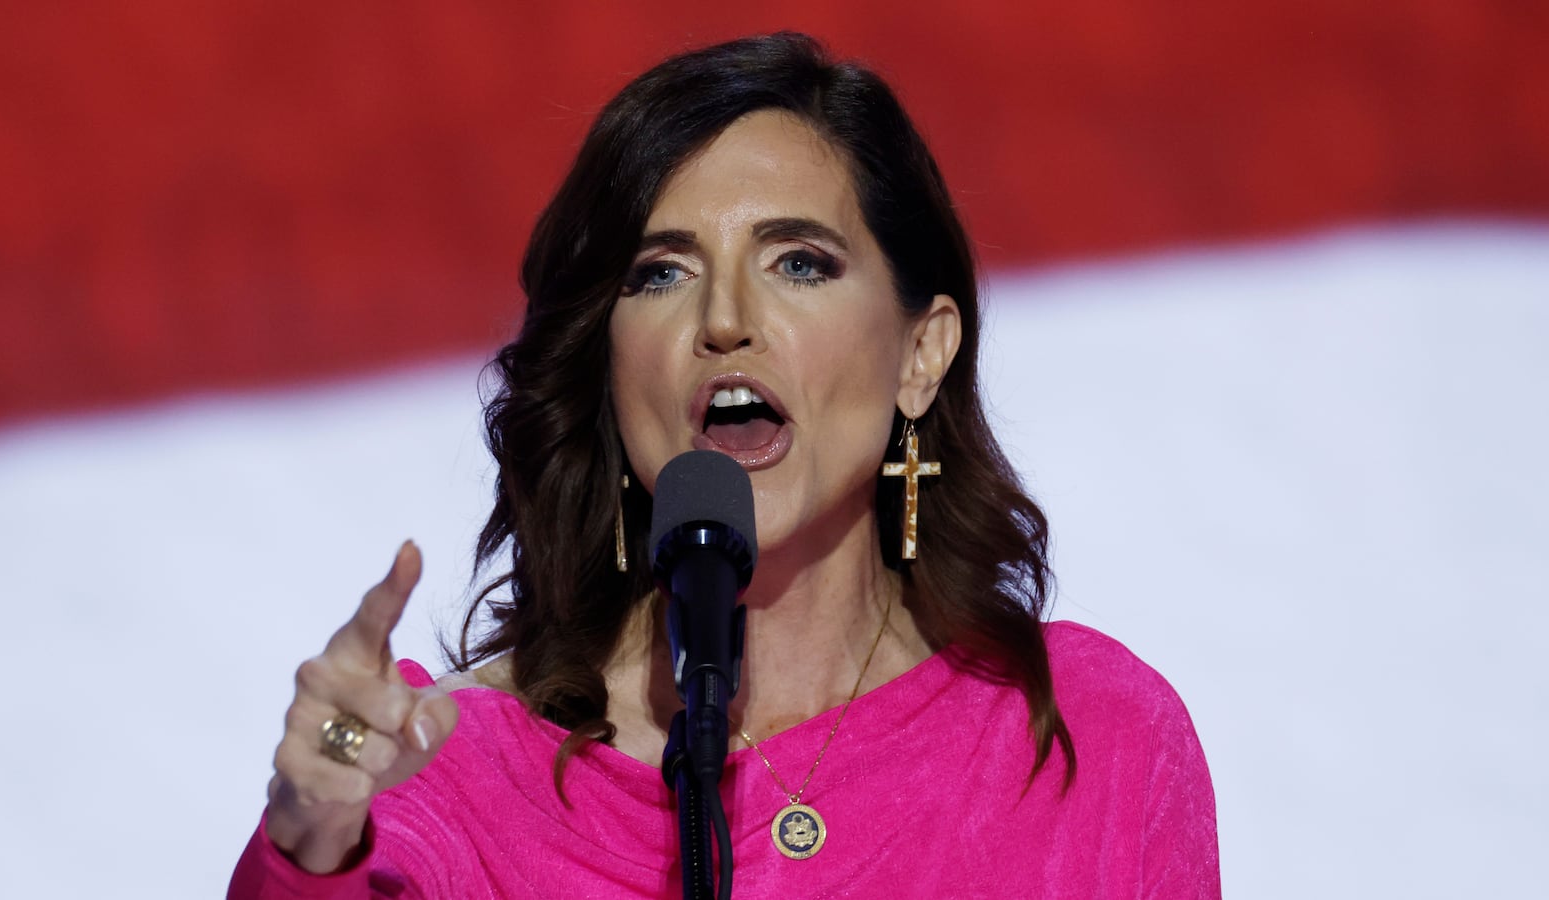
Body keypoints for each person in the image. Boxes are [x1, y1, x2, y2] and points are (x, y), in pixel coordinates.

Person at [229, 32, 1219, 899]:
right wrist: (311, 844)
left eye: (799, 262)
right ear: (608, 367)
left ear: (920, 354)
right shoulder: (441, 771)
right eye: (661, 273)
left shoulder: (1088, 739)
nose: (726, 322)